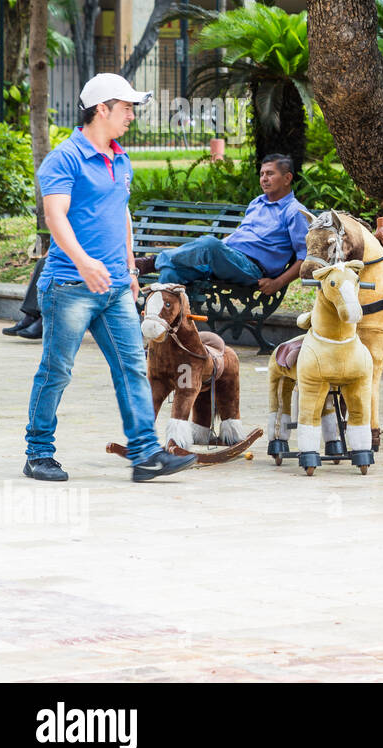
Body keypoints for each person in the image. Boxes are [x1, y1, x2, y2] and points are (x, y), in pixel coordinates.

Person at [23, 74, 196, 482]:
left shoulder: (120, 158)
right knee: (57, 370)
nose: (131, 116)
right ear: (102, 109)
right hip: (69, 287)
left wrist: (131, 268)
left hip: (116, 287)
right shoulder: (64, 158)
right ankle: (38, 453)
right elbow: (55, 216)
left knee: (132, 368)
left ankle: (145, 455)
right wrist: (83, 261)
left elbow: (121, 214)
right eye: (127, 107)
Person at [135, 154, 309, 293]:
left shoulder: (294, 211)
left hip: (251, 269)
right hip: (225, 259)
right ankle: (163, 331)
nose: (264, 179)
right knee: (170, 273)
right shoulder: (257, 202)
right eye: (262, 174)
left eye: (270, 174)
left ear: (287, 178)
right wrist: (221, 250)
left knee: (209, 244)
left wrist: (278, 283)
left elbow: (305, 256)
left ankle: (151, 262)